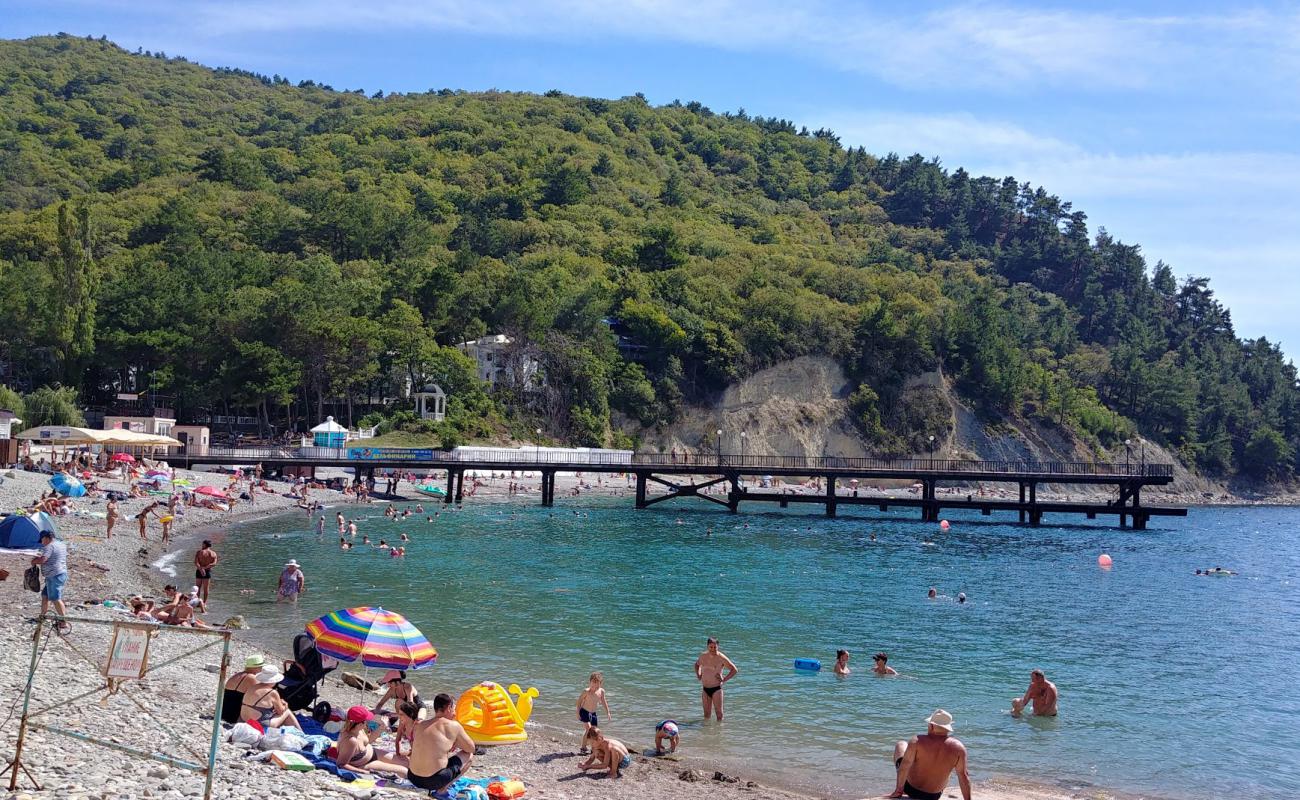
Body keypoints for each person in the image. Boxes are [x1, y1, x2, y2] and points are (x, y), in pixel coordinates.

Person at [890, 709, 971, 800]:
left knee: (901, 745)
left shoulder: (917, 741)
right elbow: (963, 776)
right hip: (934, 795)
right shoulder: (959, 748)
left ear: (931, 726)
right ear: (948, 728)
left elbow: (904, 767)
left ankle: (900, 789)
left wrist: (898, 790)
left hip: (910, 789)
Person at [405, 694, 474, 793]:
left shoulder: (420, 725)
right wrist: (455, 740)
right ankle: (442, 789)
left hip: (413, 777)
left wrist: (451, 742)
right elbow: (471, 748)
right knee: (469, 756)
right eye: (454, 709)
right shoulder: (453, 725)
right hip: (434, 781)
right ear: (449, 708)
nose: (455, 712)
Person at [336, 706, 408, 776]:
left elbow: (368, 741)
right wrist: (362, 772)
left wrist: (382, 726)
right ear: (360, 723)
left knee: (406, 762)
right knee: (404, 771)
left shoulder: (359, 729)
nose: (368, 722)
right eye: (366, 721)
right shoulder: (350, 741)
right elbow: (341, 764)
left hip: (371, 753)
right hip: (364, 764)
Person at [32, 531, 70, 634]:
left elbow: (43, 559)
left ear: (46, 538)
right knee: (45, 596)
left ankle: (63, 622)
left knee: (55, 598)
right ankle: (42, 616)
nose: (42, 542)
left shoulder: (49, 546)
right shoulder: (61, 544)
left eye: (42, 540)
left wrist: (34, 561)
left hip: (55, 575)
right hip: (58, 574)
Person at [694, 637, 738, 721]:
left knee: (719, 715)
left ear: (718, 647)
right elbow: (696, 665)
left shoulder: (721, 658)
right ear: (707, 646)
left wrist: (724, 679)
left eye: (715, 647)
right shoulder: (703, 656)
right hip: (705, 689)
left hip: (716, 689)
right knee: (706, 715)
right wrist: (698, 675)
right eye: (711, 647)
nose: (713, 649)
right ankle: (707, 733)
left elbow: (734, 670)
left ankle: (719, 733)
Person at [223, 654, 266, 724]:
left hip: (223, 713)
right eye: (261, 667)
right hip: (235, 718)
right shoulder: (253, 679)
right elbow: (262, 697)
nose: (262, 669)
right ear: (256, 667)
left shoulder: (236, 675)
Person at [577, 672, 612, 742]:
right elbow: (579, 702)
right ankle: (583, 748)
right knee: (589, 729)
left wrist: (608, 712)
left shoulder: (601, 691)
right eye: (593, 686)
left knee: (594, 732)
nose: (594, 689)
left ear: (600, 684)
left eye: (597, 687)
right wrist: (577, 713)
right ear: (589, 683)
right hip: (584, 712)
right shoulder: (586, 691)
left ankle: (593, 747)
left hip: (593, 714)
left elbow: (604, 702)